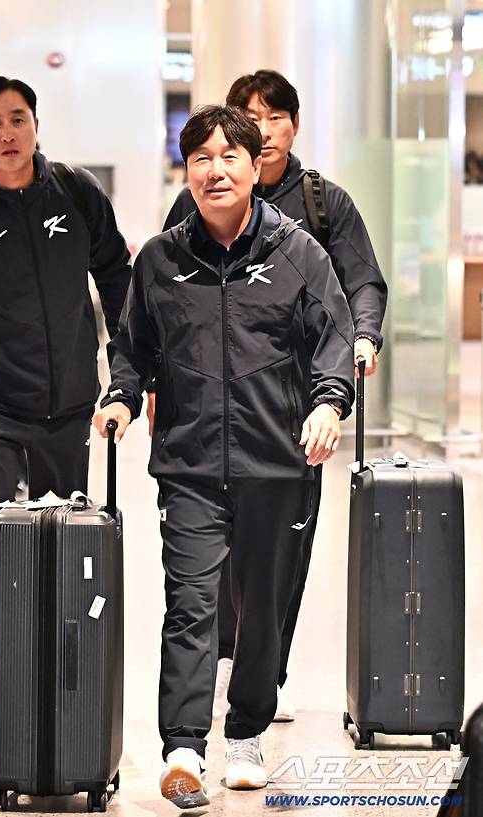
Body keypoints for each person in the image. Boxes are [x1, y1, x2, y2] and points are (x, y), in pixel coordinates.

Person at [93, 105, 354, 807]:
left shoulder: (299, 253)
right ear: (188, 170)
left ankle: (244, 733)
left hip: (278, 463)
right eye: (201, 158)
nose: (215, 170)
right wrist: (121, 395)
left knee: (263, 609)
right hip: (191, 463)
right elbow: (134, 348)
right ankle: (182, 746)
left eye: (228, 156)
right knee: (191, 603)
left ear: (254, 165)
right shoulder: (160, 259)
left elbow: (336, 337)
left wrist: (329, 403)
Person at [161, 70, 388, 723]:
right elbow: (166, 295)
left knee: (282, 549)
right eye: (246, 116)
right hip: (210, 405)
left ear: (292, 125)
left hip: (295, 406)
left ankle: (263, 669)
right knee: (213, 541)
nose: (260, 129)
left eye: (272, 116)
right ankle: (227, 658)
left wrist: (362, 339)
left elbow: (362, 283)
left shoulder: (323, 204)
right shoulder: (198, 199)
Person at [0, 76, 131, 724]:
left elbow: (115, 270)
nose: (9, 133)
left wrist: (130, 348)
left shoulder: (73, 190)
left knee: (70, 529)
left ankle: (66, 656)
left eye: (19, 119)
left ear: (34, 124)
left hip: (69, 398)